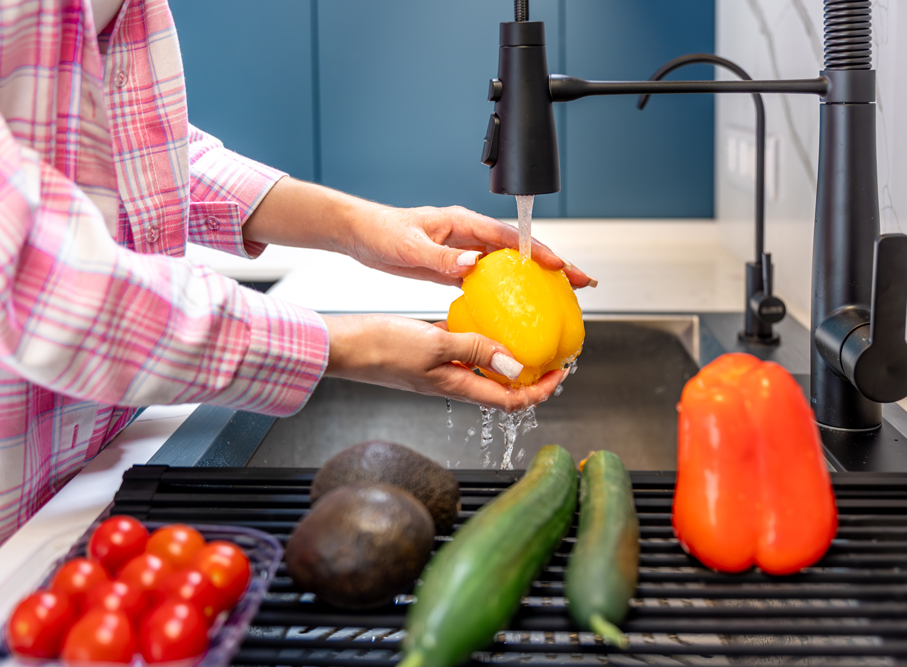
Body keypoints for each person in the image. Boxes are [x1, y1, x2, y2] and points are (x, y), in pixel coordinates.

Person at [0, 0, 595, 545]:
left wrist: (357, 226)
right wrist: (351, 347)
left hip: (88, 473)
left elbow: (141, 147)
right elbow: (47, 284)